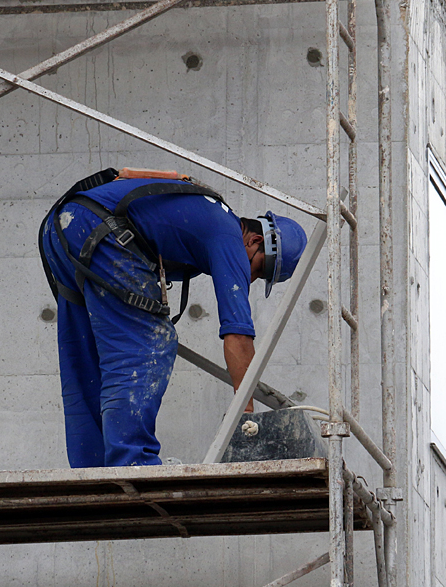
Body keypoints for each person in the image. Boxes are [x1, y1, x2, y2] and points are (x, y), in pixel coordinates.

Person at [38, 167, 308, 468]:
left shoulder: (202, 213)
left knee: (84, 353)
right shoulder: (228, 232)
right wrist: (246, 417)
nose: (252, 277)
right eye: (260, 269)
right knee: (148, 344)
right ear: (256, 241)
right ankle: (132, 463)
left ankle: (90, 470)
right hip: (102, 228)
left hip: (64, 225)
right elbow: (239, 334)